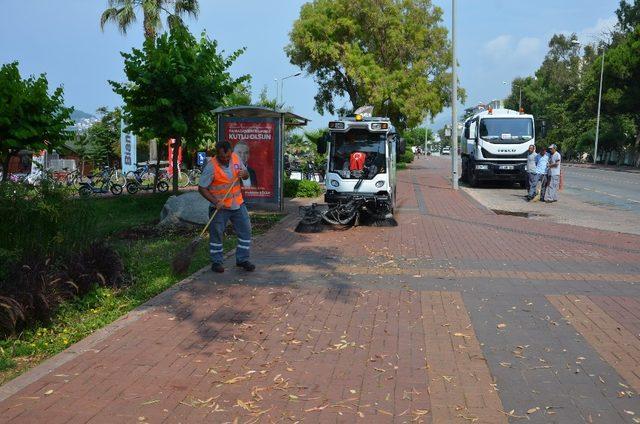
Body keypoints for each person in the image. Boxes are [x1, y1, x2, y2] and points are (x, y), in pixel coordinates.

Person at [198, 141, 255, 273]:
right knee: (216, 234)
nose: (225, 159)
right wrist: (215, 201)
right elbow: (202, 188)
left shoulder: (236, 157)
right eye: (222, 157)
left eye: (227, 157)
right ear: (217, 154)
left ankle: (242, 260)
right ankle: (216, 262)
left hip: (238, 204)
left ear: (231, 152)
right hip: (220, 207)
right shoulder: (211, 166)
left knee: (246, 231)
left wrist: (244, 174)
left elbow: (245, 174)